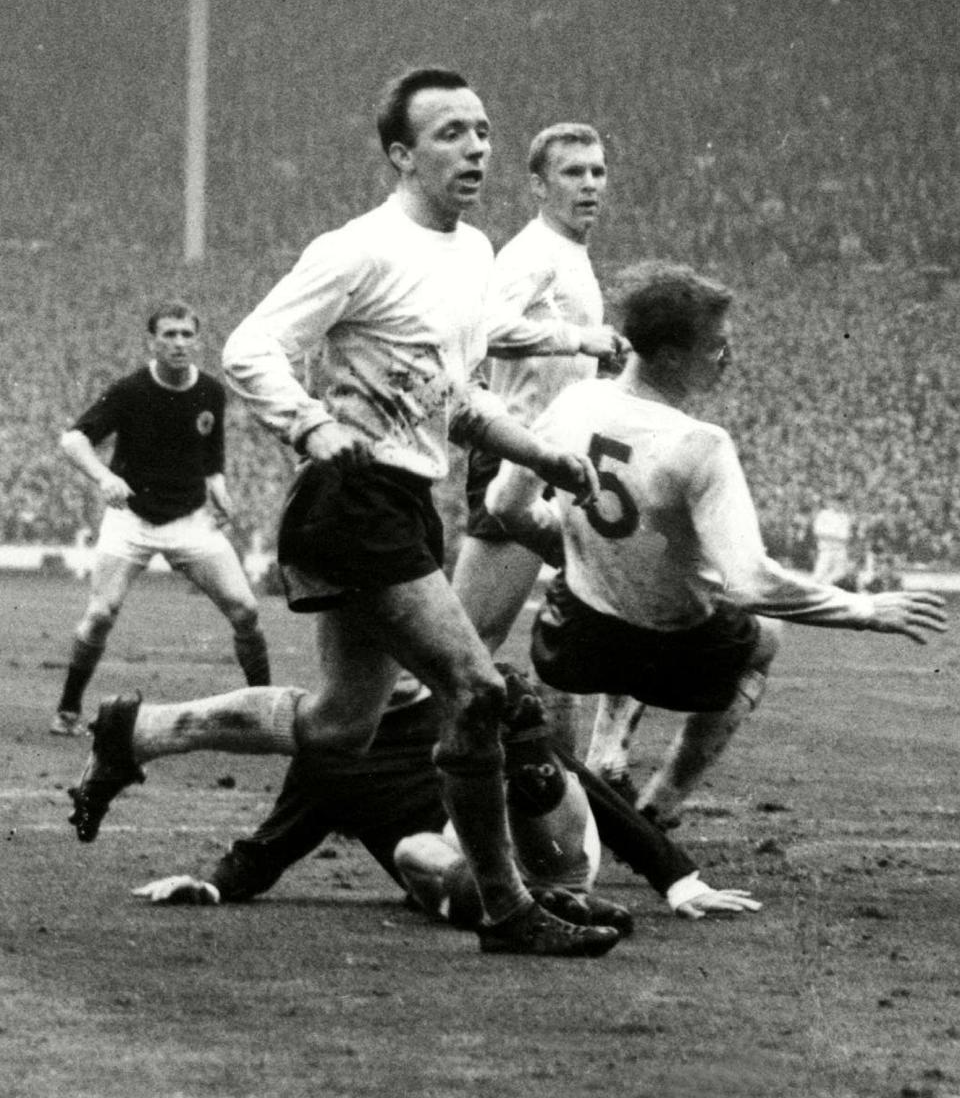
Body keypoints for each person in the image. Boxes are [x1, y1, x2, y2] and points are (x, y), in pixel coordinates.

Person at [68, 67, 629, 957]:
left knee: (340, 725)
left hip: (402, 498)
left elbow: (455, 398)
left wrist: (540, 451)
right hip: (349, 500)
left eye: (482, 129)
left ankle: (136, 731)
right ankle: (508, 908)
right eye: (450, 133)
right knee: (478, 692)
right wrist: (311, 422)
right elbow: (252, 346)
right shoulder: (360, 248)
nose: (476, 146)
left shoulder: (475, 254)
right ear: (402, 155)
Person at [485, 262, 947, 830]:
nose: (726, 360)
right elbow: (750, 582)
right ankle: (661, 804)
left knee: (625, 577)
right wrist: (865, 609)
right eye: (716, 348)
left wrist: (568, 549)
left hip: (573, 643)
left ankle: (589, 775)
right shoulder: (701, 444)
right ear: (674, 358)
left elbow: (504, 505)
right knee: (762, 636)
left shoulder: (575, 402)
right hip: (677, 653)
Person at [130, 668, 760, 926]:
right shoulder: (331, 754)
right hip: (460, 883)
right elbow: (268, 847)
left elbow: (597, 796)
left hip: (551, 847)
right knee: (417, 848)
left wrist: (679, 881)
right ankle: (527, 905)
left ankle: (542, 874)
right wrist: (211, 884)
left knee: (530, 759)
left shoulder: (467, 705)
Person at [448, 122, 613, 748]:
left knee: (601, 612)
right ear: (539, 184)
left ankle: (591, 777)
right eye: (574, 172)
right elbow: (487, 326)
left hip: (559, 463)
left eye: (597, 171)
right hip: (517, 462)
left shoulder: (571, 253)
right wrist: (579, 339)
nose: (590, 184)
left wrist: (599, 358)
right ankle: (396, 773)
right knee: (467, 646)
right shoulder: (533, 251)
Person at [51, 300, 270, 737]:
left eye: (187, 334)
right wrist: (104, 477)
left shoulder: (210, 391)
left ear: (198, 340)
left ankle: (265, 707)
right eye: (169, 334)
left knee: (246, 610)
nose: (179, 343)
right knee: (100, 614)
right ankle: (68, 708)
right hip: (131, 518)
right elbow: (73, 440)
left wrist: (219, 485)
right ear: (151, 341)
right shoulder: (131, 391)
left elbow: (212, 454)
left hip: (190, 520)